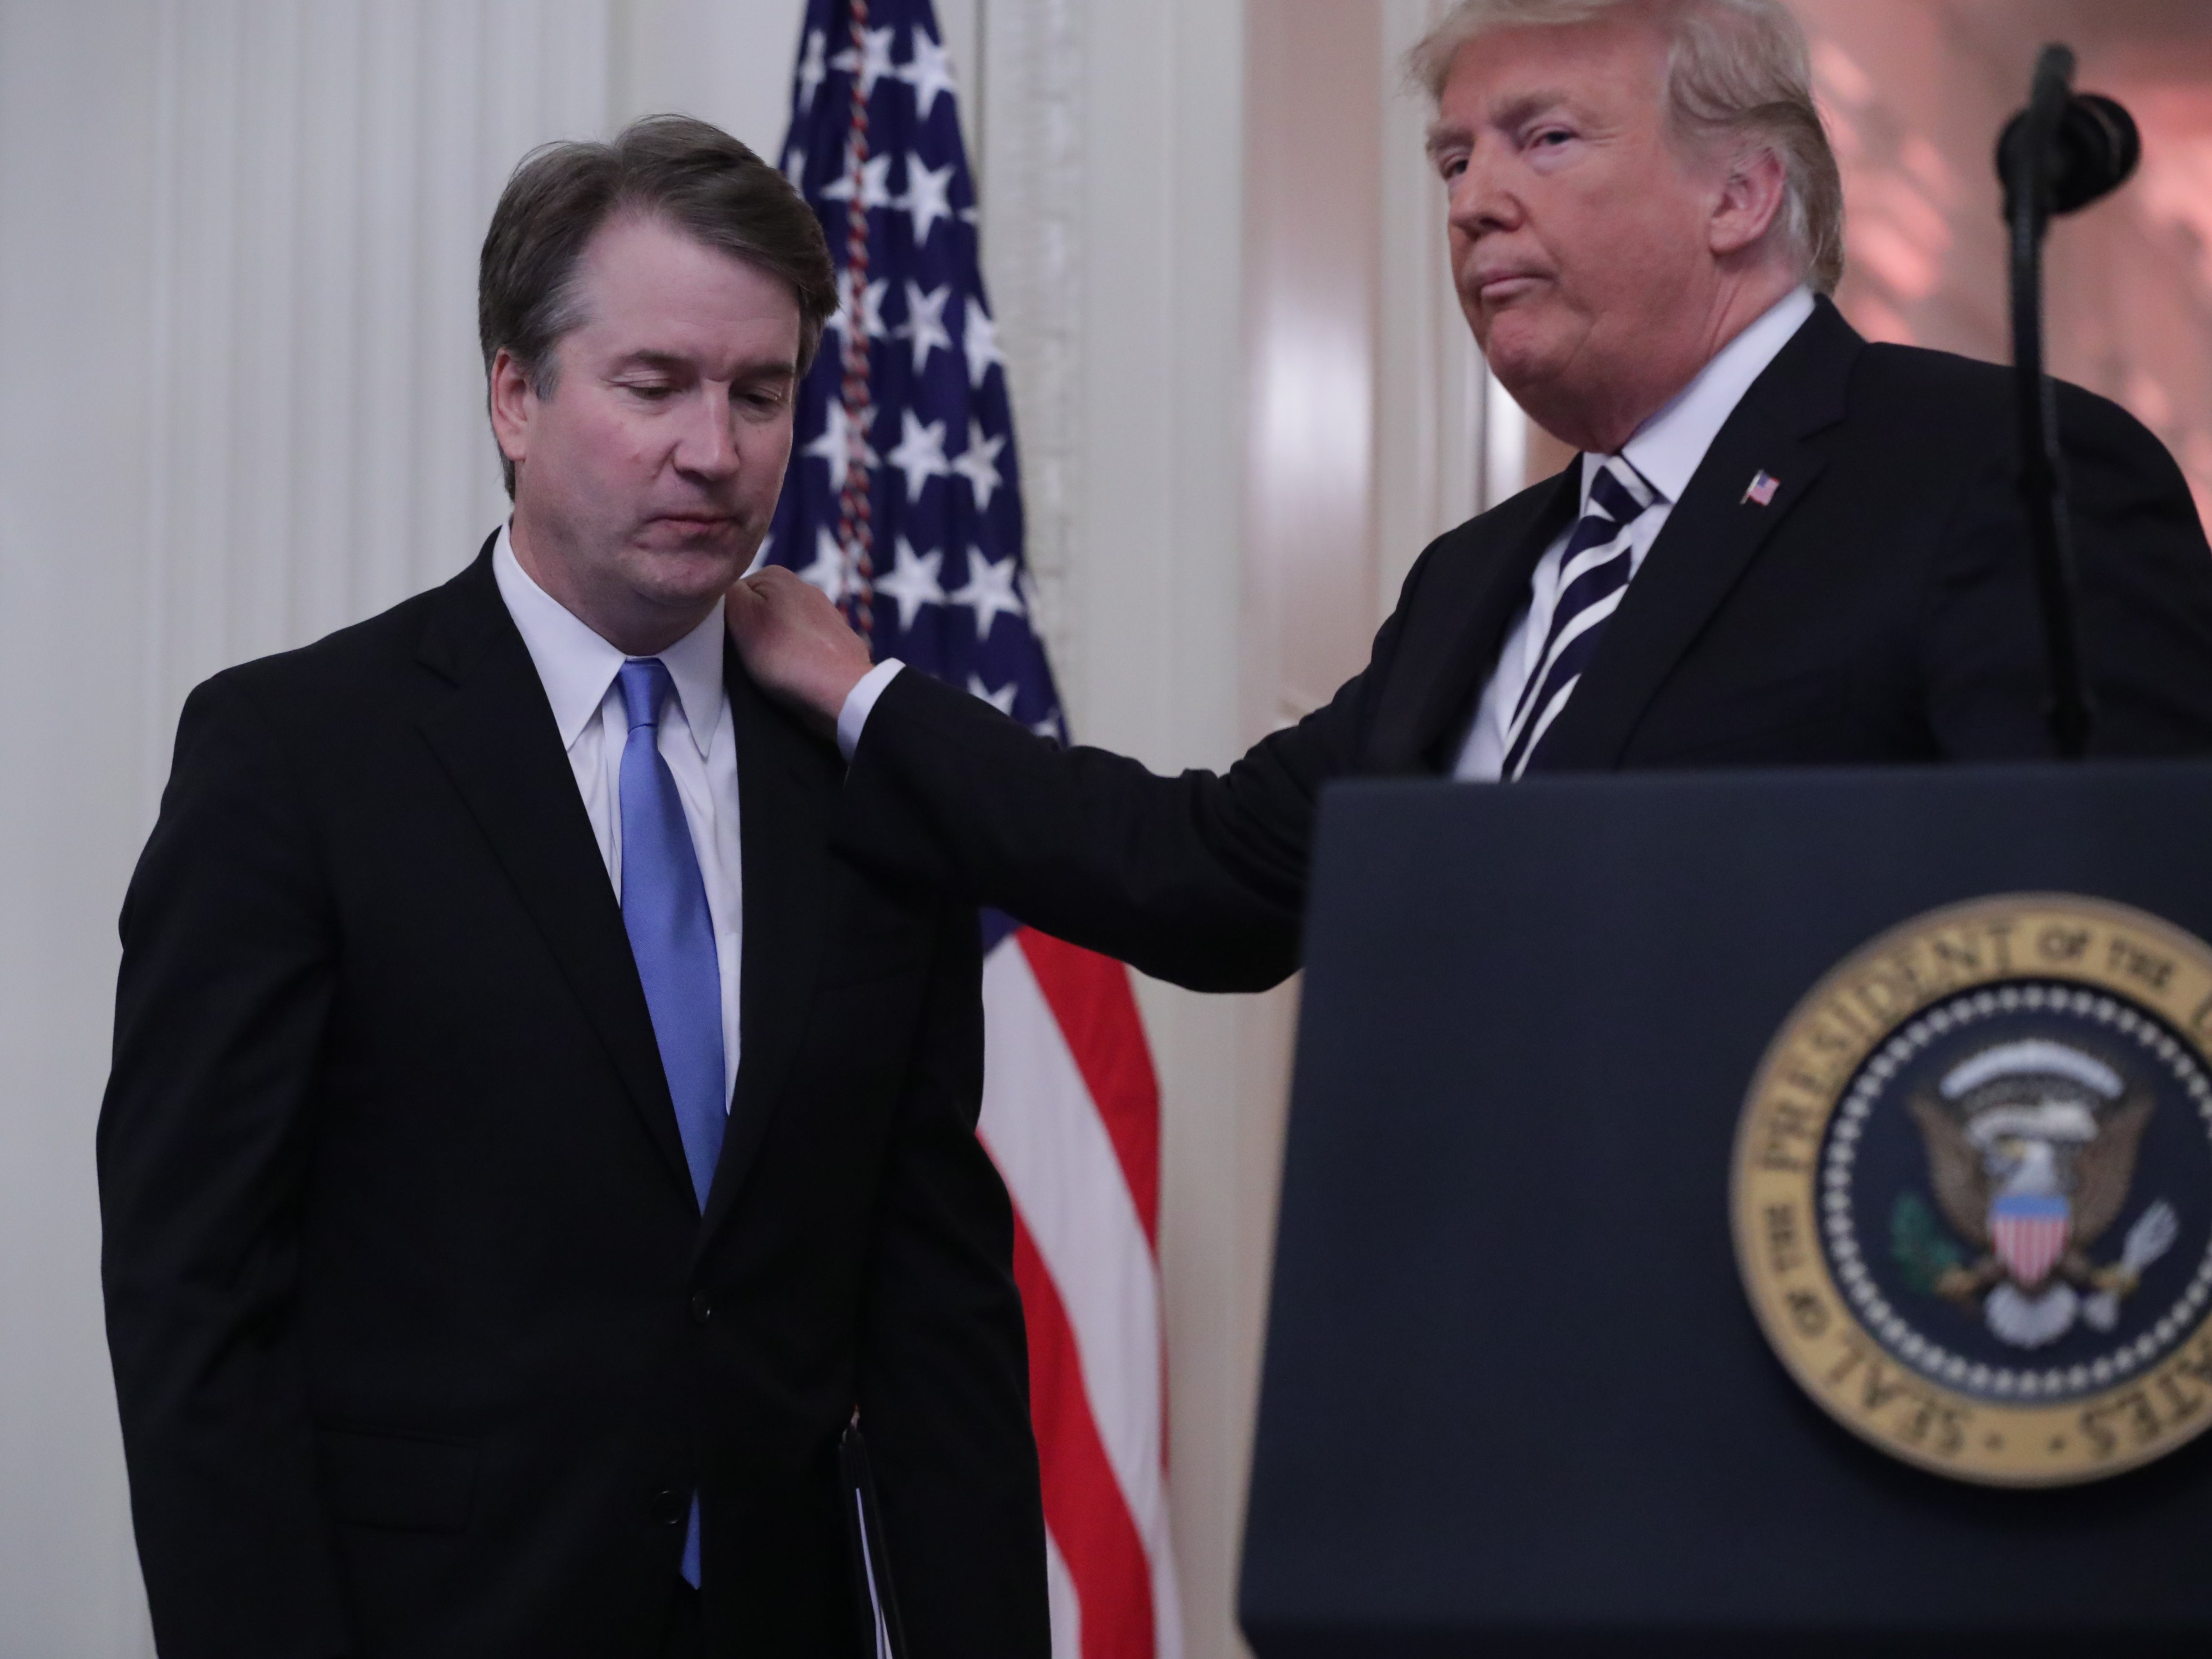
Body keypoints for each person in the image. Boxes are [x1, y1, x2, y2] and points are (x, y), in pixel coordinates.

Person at [728, 0, 2212, 995]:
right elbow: (1214, 873)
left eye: (1545, 140)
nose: (1472, 199)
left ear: (1741, 193)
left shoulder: (1995, 473)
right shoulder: (1484, 575)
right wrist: (866, 696)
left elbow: (2121, 961)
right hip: (1479, 1360)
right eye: (1454, 157)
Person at [98, 116, 1047, 1659]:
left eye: (761, 392)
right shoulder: (296, 756)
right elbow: (194, 1303)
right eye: (655, 384)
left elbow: (939, 1310)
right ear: (515, 396)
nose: (714, 449)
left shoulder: (867, 777)